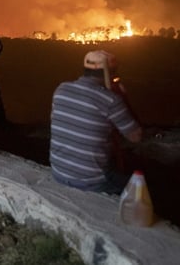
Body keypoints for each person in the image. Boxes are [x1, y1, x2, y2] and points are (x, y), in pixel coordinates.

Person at [50, 50, 143, 194]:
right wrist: (123, 98)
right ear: (110, 73)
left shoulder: (61, 89)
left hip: (59, 173)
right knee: (142, 188)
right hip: (91, 181)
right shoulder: (111, 99)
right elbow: (136, 137)